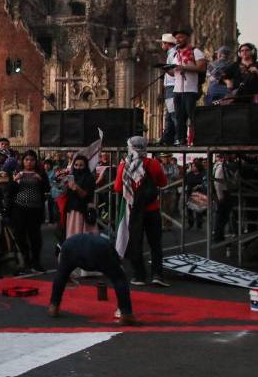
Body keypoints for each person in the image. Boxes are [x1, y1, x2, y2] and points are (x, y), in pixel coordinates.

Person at [113, 137, 169, 287]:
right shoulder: (153, 163)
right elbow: (163, 182)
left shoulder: (124, 165)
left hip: (134, 210)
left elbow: (117, 188)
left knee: (135, 242)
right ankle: (157, 274)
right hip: (152, 208)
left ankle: (139, 275)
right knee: (155, 243)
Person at [47, 233, 135, 325]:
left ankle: (53, 306)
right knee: (119, 278)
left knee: (61, 275)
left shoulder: (67, 245)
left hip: (73, 249)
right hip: (99, 250)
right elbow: (117, 267)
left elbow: (61, 273)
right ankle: (126, 314)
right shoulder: (106, 245)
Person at [9, 151, 48, 273]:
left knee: (35, 237)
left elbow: (47, 188)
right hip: (20, 209)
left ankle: (36, 262)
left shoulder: (40, 173)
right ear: (23, 161)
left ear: (36, 161)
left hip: (35, 209)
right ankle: (25, 260)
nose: (29, 162)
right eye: (26, 159)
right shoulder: (17, 172)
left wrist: (40, 179)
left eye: (32, 160)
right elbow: (10, 190)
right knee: (20, 236)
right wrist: (15, 180)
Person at [169, 27, 207, 145]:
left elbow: (202, 67)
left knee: (192, 116)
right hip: (177, 89)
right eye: (176, 38)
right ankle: (181, 139)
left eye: (180, 37)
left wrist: (184, 68)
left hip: (190, 89)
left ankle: (198, 139)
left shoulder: (195, 51)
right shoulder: (176, 54)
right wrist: (166, 70)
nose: (178, 40)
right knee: (179, 117)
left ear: (187, 38)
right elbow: (174, 73)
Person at [60, 155, 96, 238]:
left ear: (85, 166)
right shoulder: (72, 176)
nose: (78, 167)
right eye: (76, 165)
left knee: (81, 236)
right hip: (71, 210)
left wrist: (77, 188)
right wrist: (63, 183)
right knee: (72, 234)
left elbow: (87, 196)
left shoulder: (89, 178)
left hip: (82, 211)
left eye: (81, 165)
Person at [158, 33, 178, 145]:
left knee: (173, 113)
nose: (162, 45)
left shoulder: (173, 53)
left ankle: (178, 137)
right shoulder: (171, 54)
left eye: (163, 43)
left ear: (167, 44)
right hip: (170, 86)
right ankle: (167, 138)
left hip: (172, 86)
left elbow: (174, 70)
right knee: (169, 114)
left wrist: (164, 68)